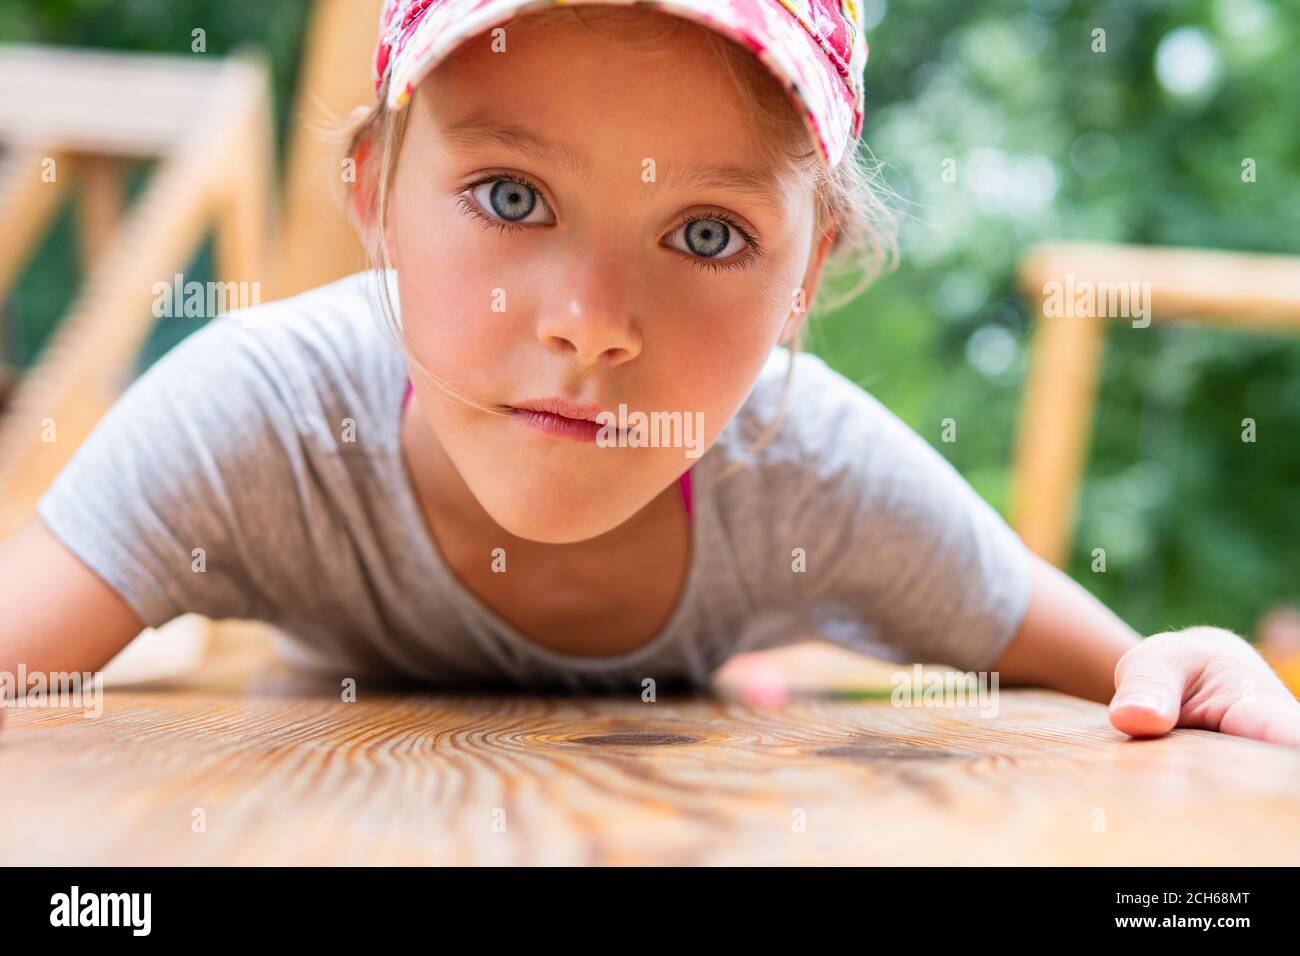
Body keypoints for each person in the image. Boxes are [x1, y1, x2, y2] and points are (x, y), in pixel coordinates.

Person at [2, 0, 1296, 748]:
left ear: (805, 276)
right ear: (376, 199)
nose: (595, 325)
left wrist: (1194, 668)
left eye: (706, 234)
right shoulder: (256, 419)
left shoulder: (818, 476)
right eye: (511, 195)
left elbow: (1147, 677)